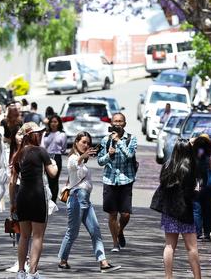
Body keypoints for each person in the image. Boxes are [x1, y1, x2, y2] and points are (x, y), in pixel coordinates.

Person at [58, 132, 121, 273]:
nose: (86, 145)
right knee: (72, 232)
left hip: (85, 199)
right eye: (83, 142)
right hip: (76, 198)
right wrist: (82, 157)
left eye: (88, 143)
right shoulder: (73, 158)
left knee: (95, 231)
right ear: (76, 142)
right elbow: (73, 165)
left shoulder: (83, 162)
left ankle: (103, 263)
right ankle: (63, 260)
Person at [9, 122, 58, 279]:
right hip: (37, 196)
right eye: (39, 133)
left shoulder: (18, 154)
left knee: (24, 236)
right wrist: (54, 163)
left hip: (22, 197)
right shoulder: (40, 151)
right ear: (32, 135)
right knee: (37, 236)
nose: (41, 134)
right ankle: (33, 272)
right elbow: (52, 173)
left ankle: (21, 271)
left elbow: (12, 182)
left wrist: (12, 203)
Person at [151, 140, 202, 279]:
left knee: (169, 246)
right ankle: (197, 277)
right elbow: (191, 193)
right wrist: (196, 190)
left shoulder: (168, 165)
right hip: (184, 212)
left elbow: (163, 185)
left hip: (169, 211)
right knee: (192, 247)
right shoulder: (189, 168)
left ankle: (168, 276)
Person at [97, 112, 138, 252]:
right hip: (110, 179)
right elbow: (100, 161)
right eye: (115, 121)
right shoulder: (105, 140)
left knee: (125, 214)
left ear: (124, 124)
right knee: (112, 213)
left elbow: (129, 155)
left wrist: (119, 142)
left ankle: (120, 231)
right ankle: (115, 243)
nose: (118, 124)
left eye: (120, 121)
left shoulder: (131, 139)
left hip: (126, 179)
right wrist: (109, 154)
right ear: (111, 124)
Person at [192, 134, 211, 240]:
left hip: (197, 186)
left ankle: (197, 232)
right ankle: (207, 233)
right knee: (208, 211)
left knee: (197, 210)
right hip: (209, 186)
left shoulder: (194, 157)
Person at [40, 115, 67, 203]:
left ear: (59, 123)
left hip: (57, 156)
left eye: (55, 122)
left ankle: (53, 200)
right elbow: (42, 146)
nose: (53, 124)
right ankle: (46, 198)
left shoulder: (62, 134)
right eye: (52, 122)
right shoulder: (45, 133)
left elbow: (63, 148)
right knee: (45, 179)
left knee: (54, 179)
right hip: (46, 156)